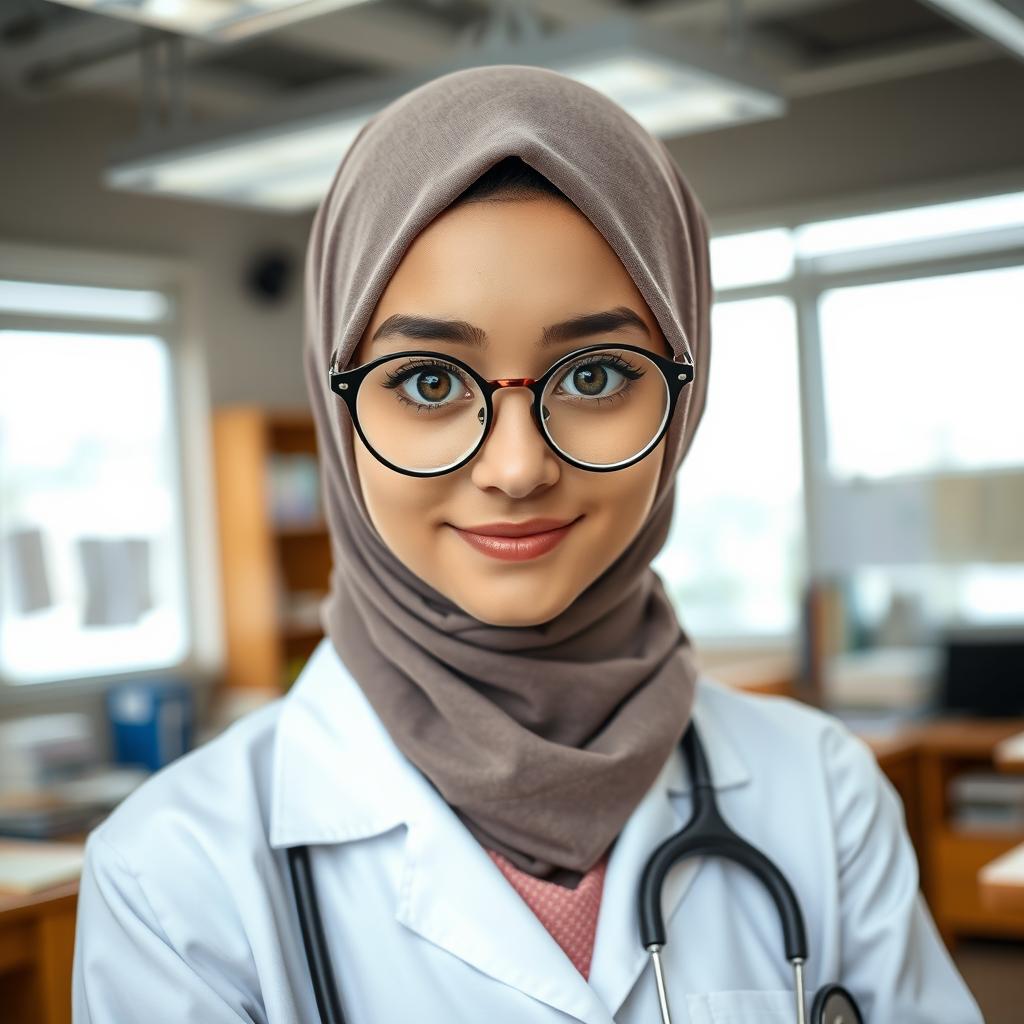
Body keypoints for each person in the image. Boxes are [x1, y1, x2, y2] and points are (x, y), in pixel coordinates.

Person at [72, 65, 983, 1023]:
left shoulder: (825, 794)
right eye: (428, 382)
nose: (515, 468)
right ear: (337, 402)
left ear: (686, 391)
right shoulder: (171, 877)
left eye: (593, 374)